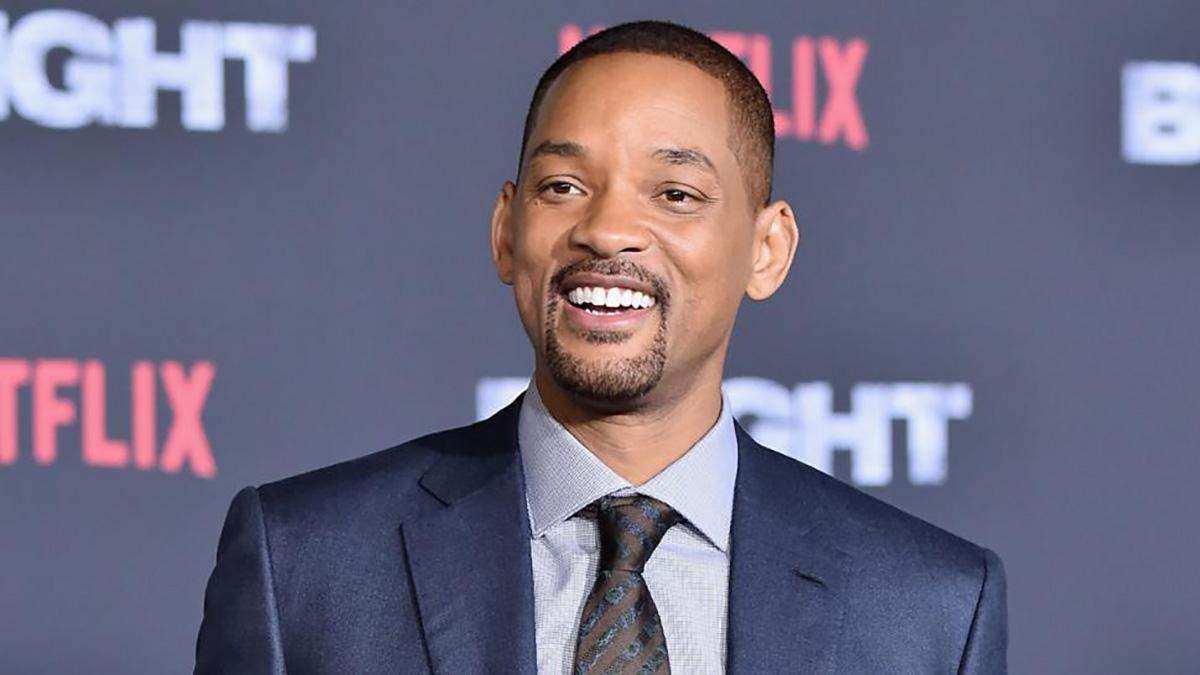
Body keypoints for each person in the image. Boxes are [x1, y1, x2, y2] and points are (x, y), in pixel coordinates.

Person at [194, 19, 1007, 674]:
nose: (608, 229)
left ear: (767, 250)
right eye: (563, 186)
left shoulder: (928, 608)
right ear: (506, 230)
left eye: (675, 193)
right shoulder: (303, 561)